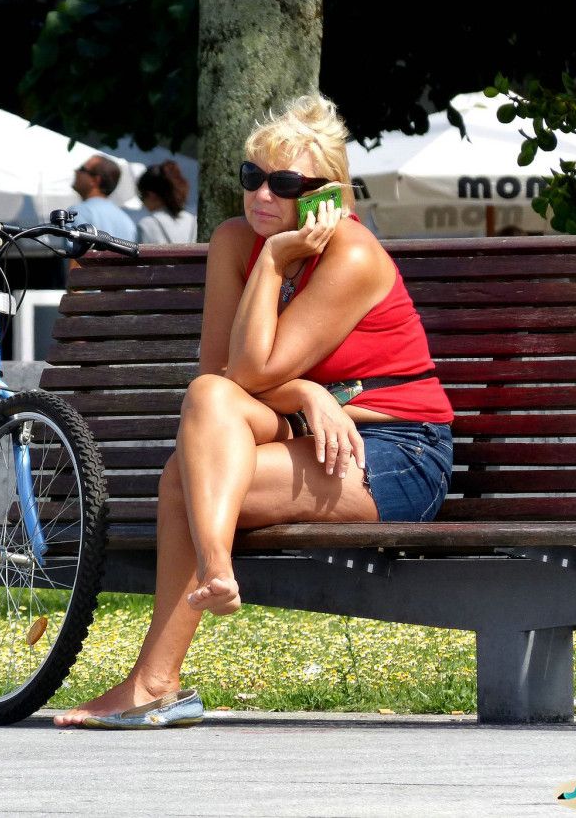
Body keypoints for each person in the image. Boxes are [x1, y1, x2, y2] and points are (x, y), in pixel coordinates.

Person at [54, 94, 454, 729]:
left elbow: (254, 371)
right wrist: (304, 393)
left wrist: (274, 266)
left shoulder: (351, 254)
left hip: (396, 450)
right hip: (307, 426)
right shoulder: (236, 242)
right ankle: (209, 584)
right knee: (206, 402)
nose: (263, 194)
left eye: (286, 183)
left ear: (329, 195)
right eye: (252, 177)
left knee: (185, 477)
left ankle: (156, 678)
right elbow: (222, 379)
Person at [71, 154, 137, 241]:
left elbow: (73, 251)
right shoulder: (127, 221)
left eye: (82, 169)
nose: (76, 171)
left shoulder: (78, 212)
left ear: (95, 180)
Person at [135, 159, 197, 244]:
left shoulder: (146, 225)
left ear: (152, 195)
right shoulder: (194, 222)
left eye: (141, 196)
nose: (142, 203)